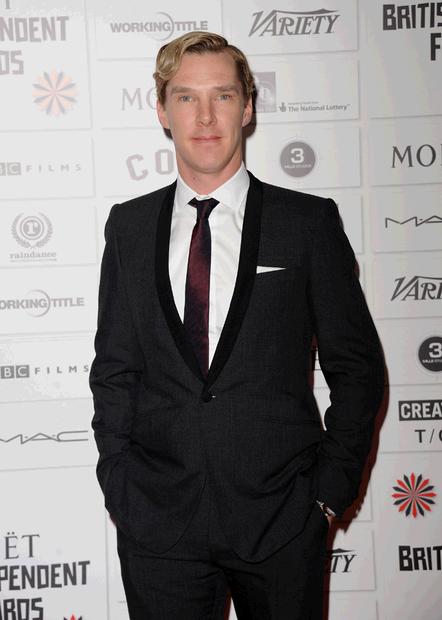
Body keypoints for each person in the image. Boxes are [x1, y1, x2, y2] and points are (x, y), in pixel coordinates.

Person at [90, 31, 384, 620]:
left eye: (222, 96)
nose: (205, 116)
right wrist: (121, 482)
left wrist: (326, 497)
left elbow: (357, 370)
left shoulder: (306, 223)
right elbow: (115, 370)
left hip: (282, 522)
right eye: (185, 97)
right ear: (162, 111)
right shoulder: (128, 227)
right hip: (158, 526)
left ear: (247, 108)